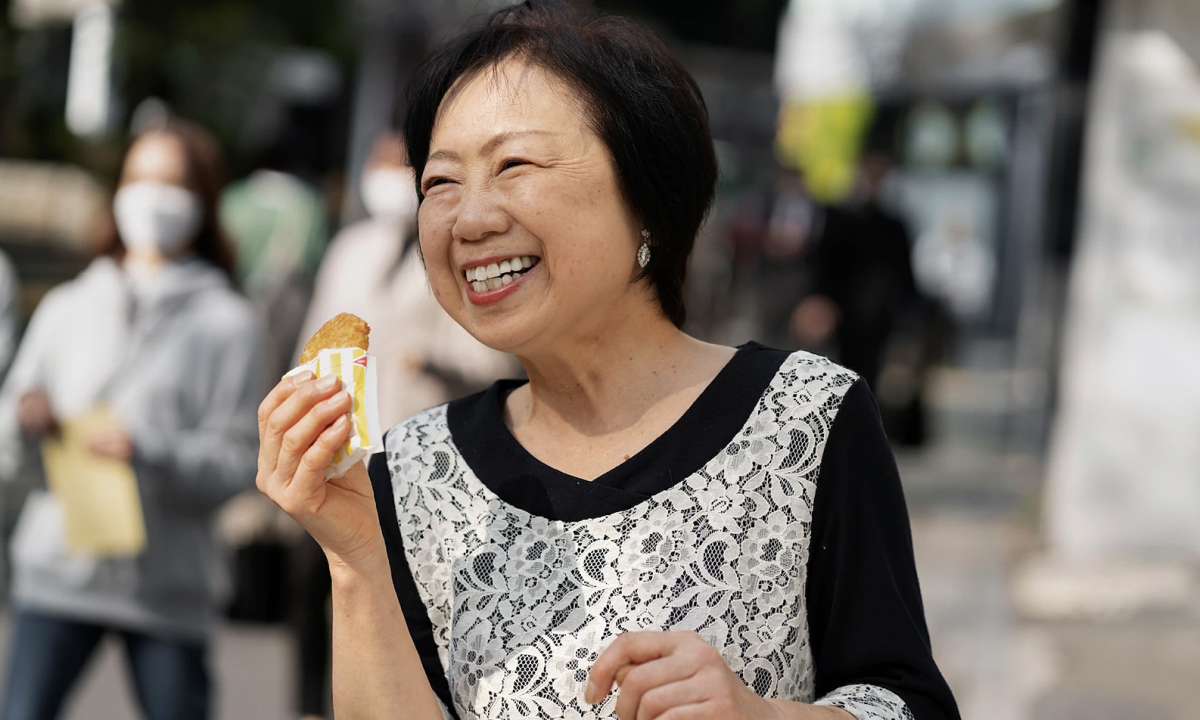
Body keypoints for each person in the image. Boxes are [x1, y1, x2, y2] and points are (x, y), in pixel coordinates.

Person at [256, 3, 960, 720]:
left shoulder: (807, 418)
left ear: (647, 196)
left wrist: (763, 715)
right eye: (440, 182)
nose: (470, 219)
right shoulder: (412, 469)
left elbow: (907, 702)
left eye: (515, 165)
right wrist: (354, 559)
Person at [0, 121, 264, 720]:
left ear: (204, 201)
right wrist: (27, 418)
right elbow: (8, 434)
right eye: (140, 179)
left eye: (172, 183)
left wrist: (146, 447)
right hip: (58, 569)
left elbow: (236, 463)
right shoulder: (69, 304)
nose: (152, 198)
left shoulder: (230, 324)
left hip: (166, 586)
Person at [290, 131, 515, 720]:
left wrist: (431, 360)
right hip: (343, 452)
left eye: (403, 164)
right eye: (380, 160)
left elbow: (495, 360)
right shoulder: (351, 246)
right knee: (321, 593)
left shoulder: (449, 252)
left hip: (419, 455)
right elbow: (314, 338)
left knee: (405, 607)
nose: (387, 174)